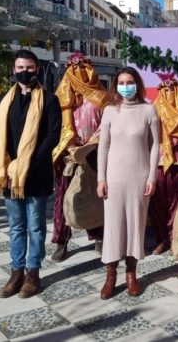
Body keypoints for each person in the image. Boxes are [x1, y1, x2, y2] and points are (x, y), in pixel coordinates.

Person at [0, 49, 62, 299]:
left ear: (37, 69)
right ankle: (16, 272)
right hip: (10, 175)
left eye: (29, 67)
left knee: (36, 225)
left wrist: (29, 162)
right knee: (16, 226)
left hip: (37, 173)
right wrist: (10, 164)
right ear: (13, 70)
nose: (25, 72)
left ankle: (33, 272)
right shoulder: (1, 102)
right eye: (20, 67)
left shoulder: (49, 100)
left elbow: (53, 136)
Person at [97, 67, 160, 299]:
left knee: (136, 225)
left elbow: (155, 145)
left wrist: (152, 176)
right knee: (113, 226)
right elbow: (103, 146)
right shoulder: (110, 111)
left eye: (130, 81)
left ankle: (131, 274)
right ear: (116, 86)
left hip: (139, 177)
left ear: (138, 84)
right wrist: (100, 178)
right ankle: (111, 275)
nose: (126, 86)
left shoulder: (149, 110)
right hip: (113, 178)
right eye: (121, 82)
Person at [51, 53, 109, 262]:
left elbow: (107, 125)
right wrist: (71, 146)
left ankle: (99, 236)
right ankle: (61, 241)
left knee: (97, 196)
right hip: (68, 155)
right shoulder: (61, 98)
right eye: (74, 70)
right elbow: (54, 126)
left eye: (84, 68)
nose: (80, 73)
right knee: (64, 198)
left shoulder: (103, 97)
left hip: (95, 153)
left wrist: (91, 144)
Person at [149, 72, 178, 257]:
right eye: (165, 89)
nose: (168, 92)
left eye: (172, 89)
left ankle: (176, 237)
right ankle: (161, 237)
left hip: (177, 164)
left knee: (177, 202)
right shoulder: (152, 110)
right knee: (157, 202)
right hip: (157, 163)